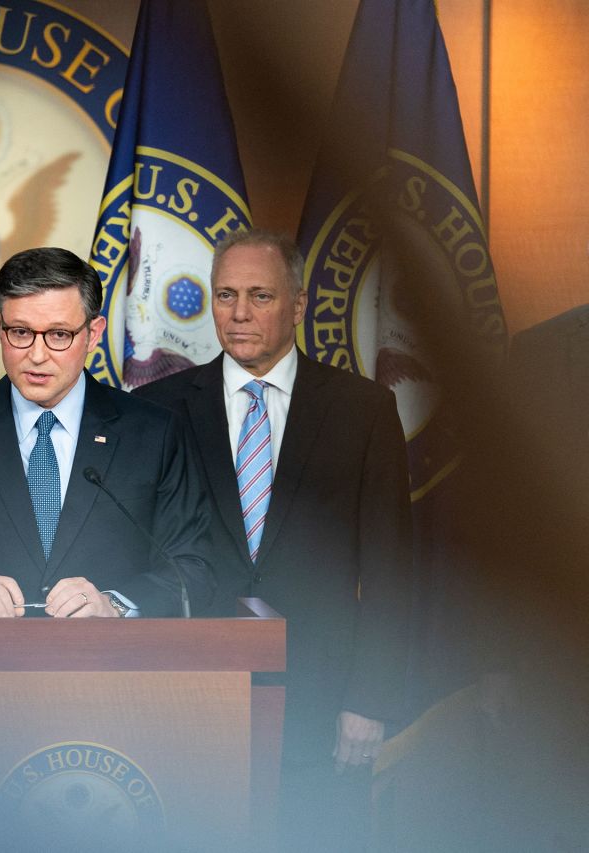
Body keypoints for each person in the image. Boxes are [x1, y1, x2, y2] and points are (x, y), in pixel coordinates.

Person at [134, 230, 412, 849]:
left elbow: (393, 569)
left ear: (299, 303)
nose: (237, 313)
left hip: (322, 706)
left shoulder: (363, 410)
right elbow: (137, 558)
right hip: (191, 702)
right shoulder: (155, 410)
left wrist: (371, 698)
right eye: (225, 294)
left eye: (259, 295)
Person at [0, 247, 212, 618]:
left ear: (93, 333)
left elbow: (194, 567)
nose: (37, 355)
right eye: (20, 332)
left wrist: (114, 604)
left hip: (111, 668)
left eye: (58, 335)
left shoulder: (154, 433)